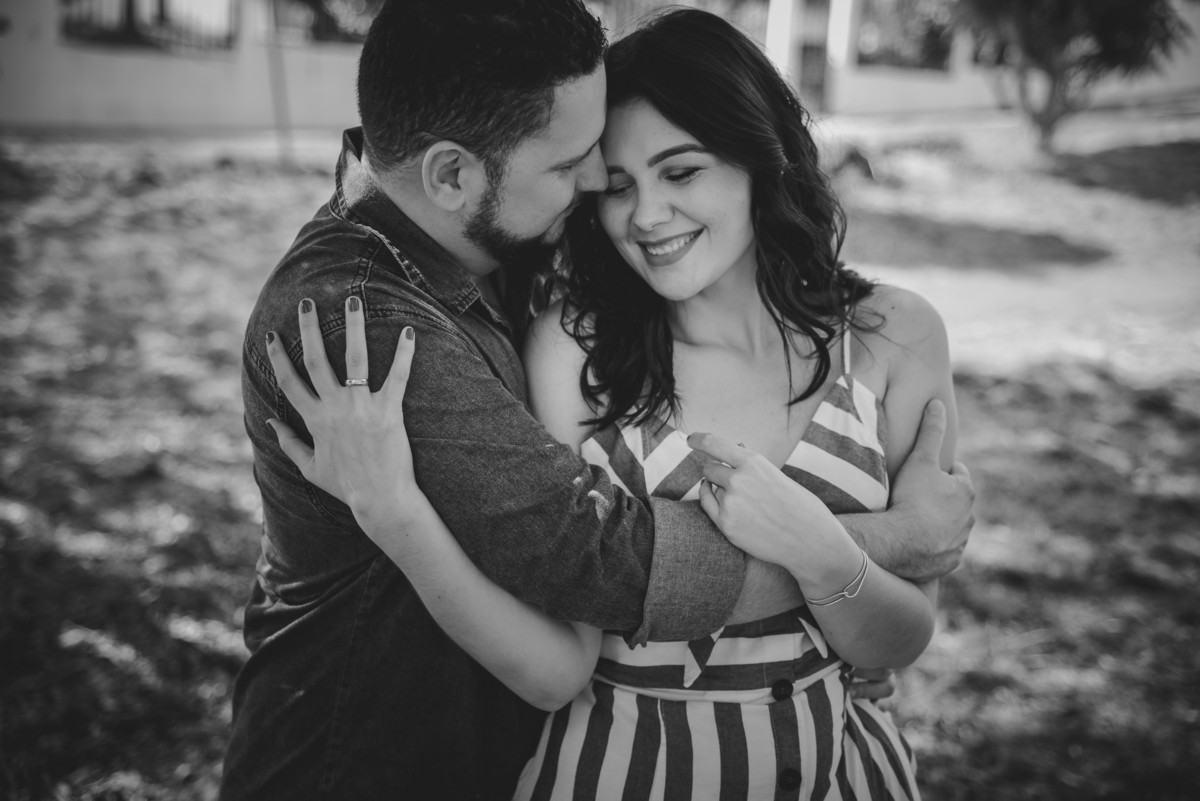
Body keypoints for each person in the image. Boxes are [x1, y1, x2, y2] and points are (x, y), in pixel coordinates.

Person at [229, 2, 974, 799]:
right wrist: (884, 542)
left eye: (679, 171)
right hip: (370, 770)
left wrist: (853, 598)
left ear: (763, 158)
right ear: (450, 176)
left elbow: (899, 637)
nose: (610, 199)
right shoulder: (374, 329)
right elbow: (599, 563)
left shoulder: (478, 248)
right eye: (585, 170)